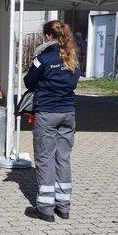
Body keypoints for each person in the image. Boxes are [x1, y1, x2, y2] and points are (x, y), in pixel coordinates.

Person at [23, 20, 81, 222]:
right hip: (68, 113)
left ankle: (45, 209)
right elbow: (74, 81)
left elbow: (28, 81)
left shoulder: (42, 58)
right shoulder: (72, 58)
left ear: (48, 36)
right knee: (63, 159)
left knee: (45, 159)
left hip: (47, 113)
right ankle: (63, 207)